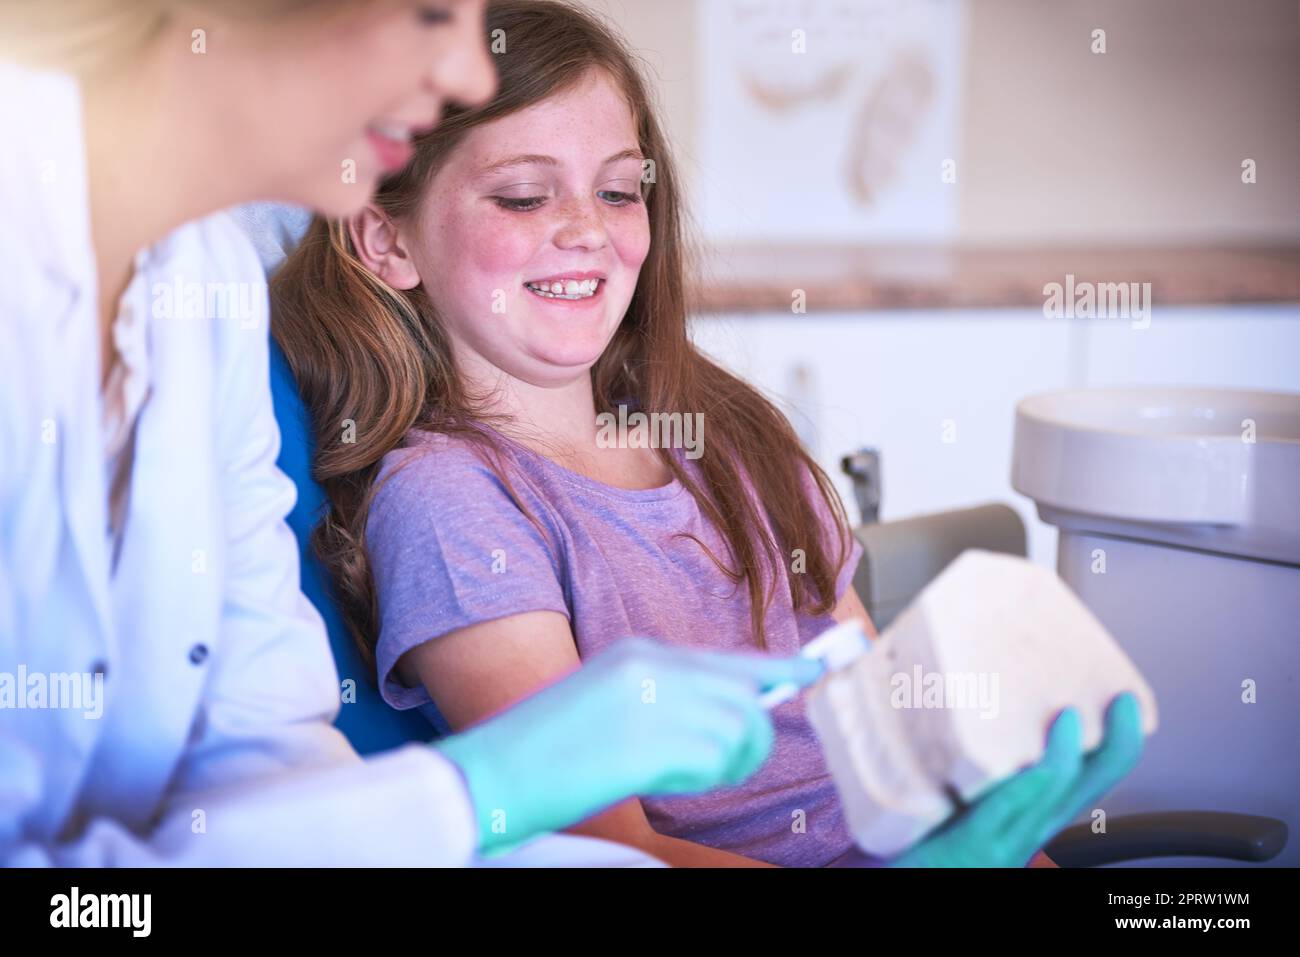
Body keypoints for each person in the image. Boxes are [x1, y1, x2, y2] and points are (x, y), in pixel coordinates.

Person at [270, 0, 1146, 867]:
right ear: (386, 240)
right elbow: (606, 852)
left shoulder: (727, 440)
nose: (586, 227)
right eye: (525, 195)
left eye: (618, 190)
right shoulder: (451, 502)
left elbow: (896, 755)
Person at [0, 0, 822, 867]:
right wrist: (480, 790)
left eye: (619, 190)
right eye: (433, 15)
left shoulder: (207, 282)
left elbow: (257, 760)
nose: (468, 74)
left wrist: (474, 809)